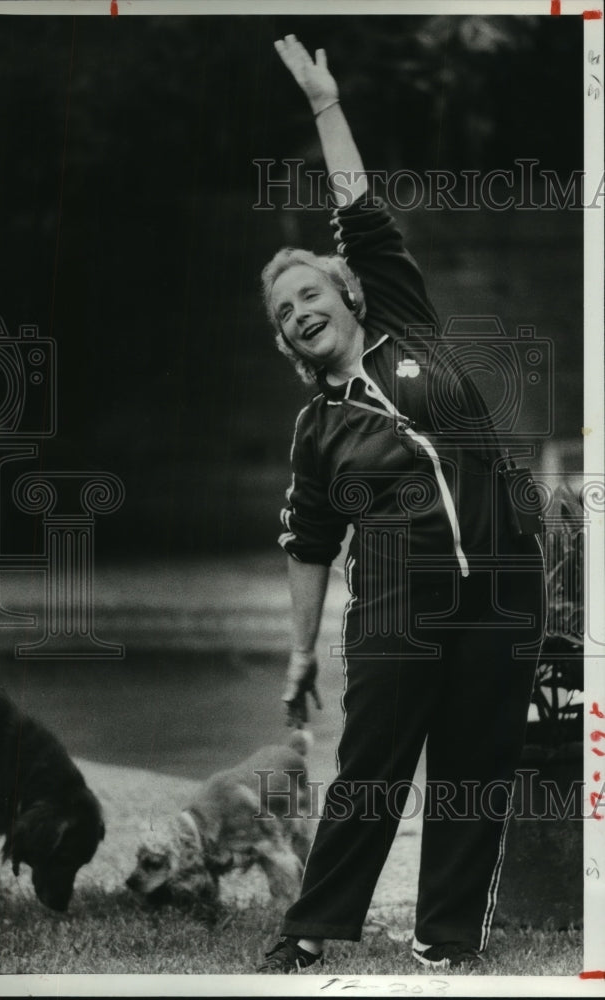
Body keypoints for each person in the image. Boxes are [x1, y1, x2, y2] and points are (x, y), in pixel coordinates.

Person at [257, 35, 546, 974]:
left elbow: (361, 214)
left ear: (346, 295)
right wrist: (302, 653)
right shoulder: (316, 430)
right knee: (372, 768)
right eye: (282, 312)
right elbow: (305, 544)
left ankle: (446, 940)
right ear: (288, 341)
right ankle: (310, 929)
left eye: (309, 292)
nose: (299, 310)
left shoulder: (404, 322)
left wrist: (324, 106)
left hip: (501, 587)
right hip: (395, 611)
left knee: (476, 765)